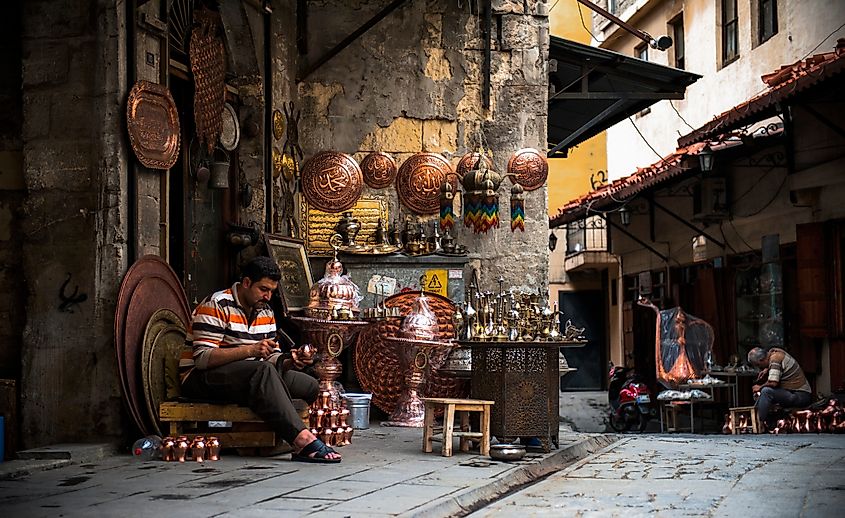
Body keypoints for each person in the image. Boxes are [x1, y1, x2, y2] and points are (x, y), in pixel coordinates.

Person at [179, 256, 341, 463]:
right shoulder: (216, 304)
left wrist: (292, 361)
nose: (268, 296)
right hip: (200, 379)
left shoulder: (265, 310)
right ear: (246, 283)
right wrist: (250, 350)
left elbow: (271, 357)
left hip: (247, 376)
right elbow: (202, 358)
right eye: (263, 289)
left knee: (308, 384)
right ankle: (302, 439)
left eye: (272, 291)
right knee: (262, 372)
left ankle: (267, 430)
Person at [747, 347, 812, 429]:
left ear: (761, 360)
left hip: (801, 395)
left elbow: (773, 383)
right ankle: (762, 420)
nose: (760, 368)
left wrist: (759, 387)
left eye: (759, 365)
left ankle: (758, 423)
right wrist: (767, 368)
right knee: (761, 394)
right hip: (793, 392)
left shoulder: (775, 359)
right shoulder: (773, 352)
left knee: (766, 391)